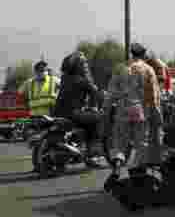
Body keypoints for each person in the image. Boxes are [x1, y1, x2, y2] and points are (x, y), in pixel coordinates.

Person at [105, 43, 161, 171]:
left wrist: (106, 110)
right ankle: (138, 169)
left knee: (120, 142)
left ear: (132, 54)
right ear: (142, 54)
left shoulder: (120, 68)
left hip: (122, 109)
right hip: (139, 110)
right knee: (141, 142)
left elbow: (111, 92)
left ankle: (118, 162)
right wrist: (157, 113)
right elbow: (154, 94)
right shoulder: (148, 69)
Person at [52, 52, 105, 167]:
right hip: (72, 114)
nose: (85, 66)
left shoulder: (64, 79)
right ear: (78, 66)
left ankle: (78, 145)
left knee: (86, 119)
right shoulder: (82, 80)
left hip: (57, 113)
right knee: (97, 119)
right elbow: (95, 93)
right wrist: (95, 107)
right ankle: (93, 154)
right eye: (83, 64)